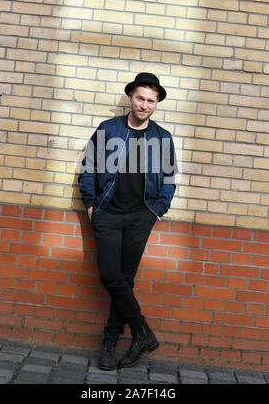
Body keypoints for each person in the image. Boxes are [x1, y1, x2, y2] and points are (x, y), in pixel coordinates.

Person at [78, 72, 177, 370]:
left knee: (125, 279)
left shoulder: (162, 138)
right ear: (130, 98)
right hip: (107, 212)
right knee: (111, 276)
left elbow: (170, 180)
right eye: (140, 98)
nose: (145, 105)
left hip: (140, 216)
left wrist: (156, 211)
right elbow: (89, 168)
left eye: (151, 100)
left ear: (156, 103)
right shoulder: (108, 130)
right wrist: (91, 205)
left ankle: (110, 339)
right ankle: (142, 332)